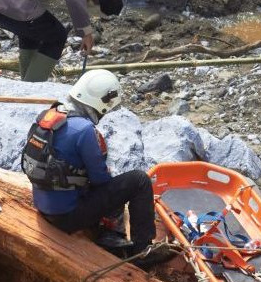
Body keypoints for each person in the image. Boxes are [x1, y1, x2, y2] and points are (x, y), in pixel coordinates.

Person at [21, 69, 174, 270]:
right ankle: (141, 250)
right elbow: (100, 179)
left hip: (44, 204)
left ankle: (109, 234)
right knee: (138, 180)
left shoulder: (49, 116)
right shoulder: (85, 131)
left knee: (102, 182)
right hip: (68, 216)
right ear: (102, 101)